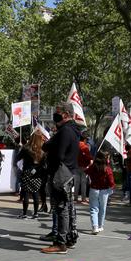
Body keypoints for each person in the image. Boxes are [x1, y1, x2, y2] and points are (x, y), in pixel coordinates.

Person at [42, 103, 80, 253]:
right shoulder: (72, 130)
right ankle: (68, 237)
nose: (55, 115)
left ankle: (61, 242)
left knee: (61, 208)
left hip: (61, 173)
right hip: (68, 172)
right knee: (67, 207)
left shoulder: (65, 131)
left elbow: (59, 154)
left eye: (58, 113)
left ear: (65, 114)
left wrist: (49, 146)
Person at [18, 131, 46, 219]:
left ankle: (25, 213)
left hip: (27, 171)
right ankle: (35, 213)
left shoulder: (26, 148)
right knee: (35, 193)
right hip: (37, 173)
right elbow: (44, 163)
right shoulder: (42, 150)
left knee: (26, 192)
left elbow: (18, 157)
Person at [87, 150, 116, 234]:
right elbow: (111, 182)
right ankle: (100, 225)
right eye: (108, 158)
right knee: (102, 209)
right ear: (106, 159)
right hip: (104, 190)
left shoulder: (93, 167)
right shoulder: (107, 169)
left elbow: (87, 172)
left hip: (94, 189)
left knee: (93, 208)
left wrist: (89, 167)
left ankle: (95, 227)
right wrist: (113, 187)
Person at [75, 131, 91, 203]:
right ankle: (83, 198)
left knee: (76, 182)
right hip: (84, 167)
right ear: (84, 139)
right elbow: (88, 158)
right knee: (83, 183)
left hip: (76, 166)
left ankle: (75, 197)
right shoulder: (85, 147)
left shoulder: (75, 145)